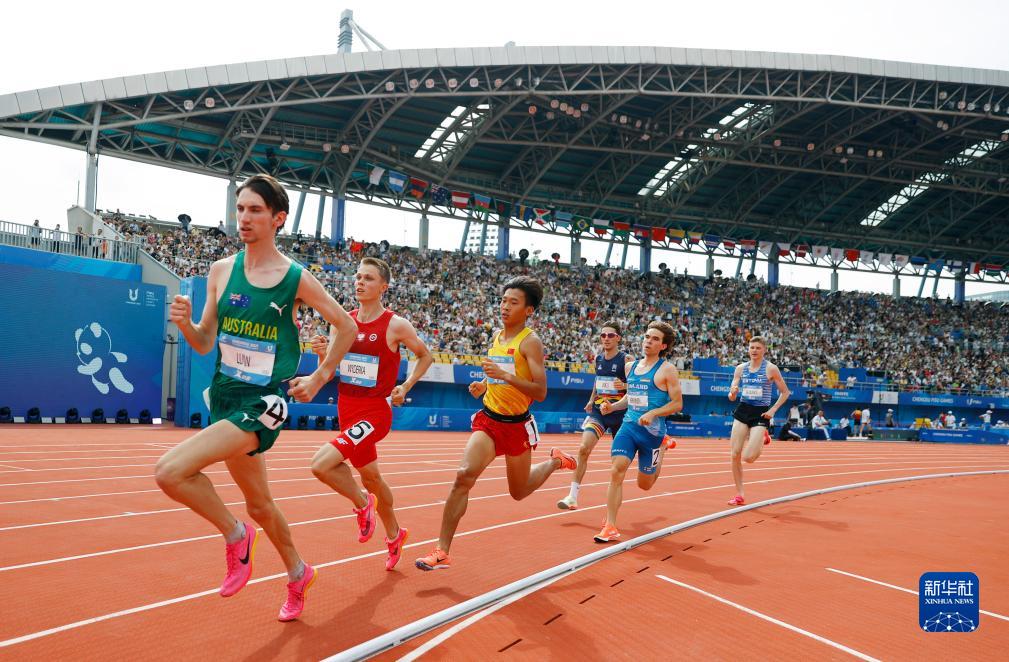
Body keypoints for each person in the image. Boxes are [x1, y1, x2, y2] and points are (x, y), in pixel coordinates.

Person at [155, 174, 358, 622]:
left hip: (264, 402)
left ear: (277, 218)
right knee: (261, 504)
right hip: (225, 394)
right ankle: (299, 573)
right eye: (240, 208)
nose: (243, 218)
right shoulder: (221, 271)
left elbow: (346, 326)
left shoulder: (295, 278)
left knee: (169, 472)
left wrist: (322, 376)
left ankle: (235, 536)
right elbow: (206, 341)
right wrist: (186, 324)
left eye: (255, 211)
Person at [415, 276, 576, 570]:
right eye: (503, 300)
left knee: (518, 492)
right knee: (463, 475)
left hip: (517, 426)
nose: (504, 307)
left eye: (513, 302)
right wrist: (484, 386)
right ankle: (441, 550)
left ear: (529, 310)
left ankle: (555, 461)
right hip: (489, 420)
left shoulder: (531, 342)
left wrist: (506, 378)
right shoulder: (497, 337)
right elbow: (496, 376)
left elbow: (540, 391)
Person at [307, 257, 433, 571]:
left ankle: (363, 504)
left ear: (383, 287)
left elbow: (425, 356)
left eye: (369, 278)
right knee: (372, 478)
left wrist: (405, 385)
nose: (360, 282)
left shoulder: (395, 325)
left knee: (321, 465)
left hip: (374, 414)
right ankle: (395, 535)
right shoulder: (343, 321)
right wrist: (324, 354)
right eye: (358, 277)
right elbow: (333, 370)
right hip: (346, 408)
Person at [594, 322, 682, 542]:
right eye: (646, 336)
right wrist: (612, 407)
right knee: (617, 470)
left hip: (652, 434)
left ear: (663, 345)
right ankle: (611, 525)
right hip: (629, 427)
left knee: (645, 485)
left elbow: (677, 404)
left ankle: (662, 448)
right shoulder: (630, 367)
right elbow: (630, 397)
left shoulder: (667, 370)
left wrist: (653, 413)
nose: (648, 341)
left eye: (654, 339)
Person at [557, 321, 628, 511]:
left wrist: (626, 386)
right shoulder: (598, 359)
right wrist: (591, 400)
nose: (606, 338)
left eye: (610, 335)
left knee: (618, 464)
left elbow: (639, 386)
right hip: (599, 412)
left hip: (620, 414)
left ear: (618, 338)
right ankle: (572, 496)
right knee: (583, 449)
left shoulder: (626, 360)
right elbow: (598, 381)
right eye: (603, 335)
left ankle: (612, 505)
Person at [725, 336, 791, 505]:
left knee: (748, 458)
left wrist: (773, 410)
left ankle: (762, 437)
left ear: (764, 350)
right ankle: (739, 494)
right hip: (743, 409)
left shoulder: (771, 369)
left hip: (761, 413)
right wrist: (732, 393)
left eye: (758, 348)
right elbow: (732, 395)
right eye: (751, 347)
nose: (754, 350)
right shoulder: (740, 368)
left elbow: (785, 392)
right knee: (734, 454)